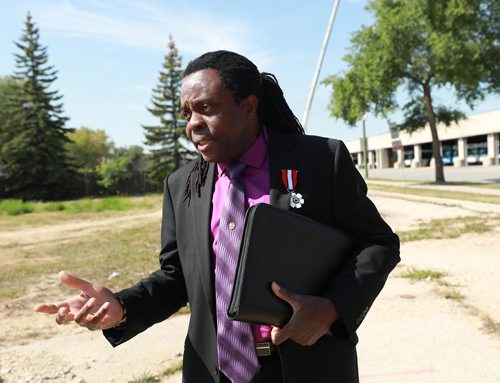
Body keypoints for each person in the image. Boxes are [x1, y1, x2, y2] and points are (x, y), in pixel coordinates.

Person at [34, 51, 400, 383]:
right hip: (213, 373)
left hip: (309, 366)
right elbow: (176, 276)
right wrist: (122, 306)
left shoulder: (320, 160)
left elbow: (377, 243)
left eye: (206, 108)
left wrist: (331, 308)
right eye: (186, 113)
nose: (193, 124)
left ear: (249, 106)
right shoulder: (182, 185)